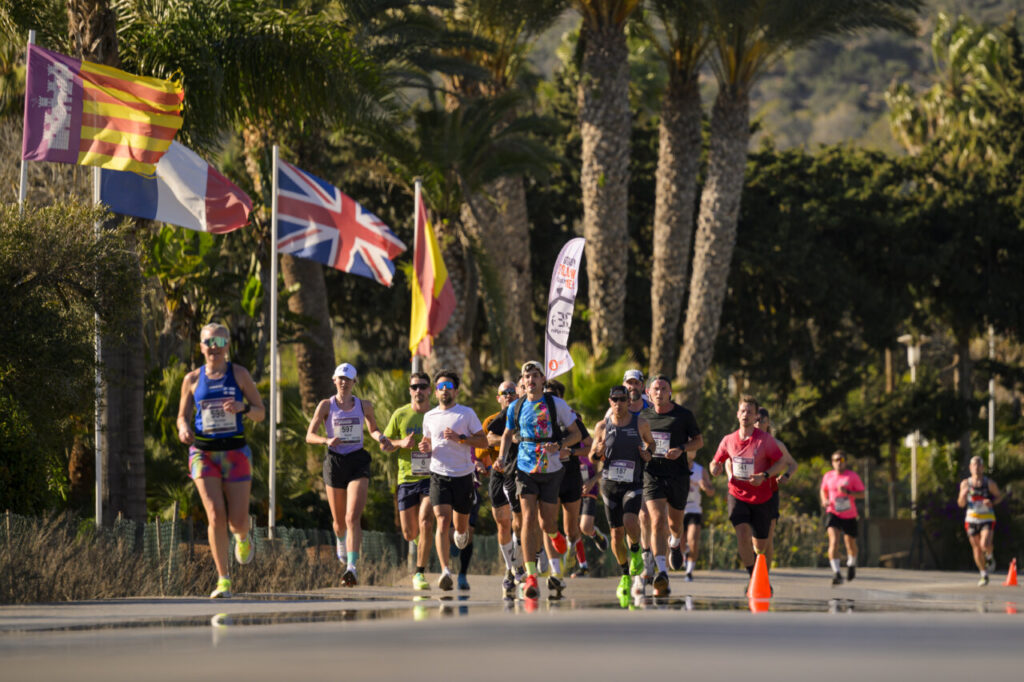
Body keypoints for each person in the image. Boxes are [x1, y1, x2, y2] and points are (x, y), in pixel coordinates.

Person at [177, 323, 266, 599]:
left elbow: (261, 412)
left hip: (235, 453)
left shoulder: (239, 374)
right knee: (215, 514)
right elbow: (182, 415)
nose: (213, 346)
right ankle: (223, 579)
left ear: (227, 345)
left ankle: (242, 537)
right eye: (208, 341)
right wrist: (183, 429)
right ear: (201, 346)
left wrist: (244, 407)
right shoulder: (192, 379)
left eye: (219, 340)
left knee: (237, 521)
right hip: (203, 453)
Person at [497, 361, 582, 599]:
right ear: (522, 381)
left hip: (551, 469)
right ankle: (531, 575)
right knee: (528, 519)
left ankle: (555, 536)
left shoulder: (556, 404)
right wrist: (502, 458)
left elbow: (577, 434)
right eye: (527, 376)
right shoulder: (516, 406)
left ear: (543, 380)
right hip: (524, 468)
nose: (531, 380)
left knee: (547, 524)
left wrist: (561, 444)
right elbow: (506, 434)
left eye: (535, 376)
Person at [306, 363, 392, 587]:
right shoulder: (326, 405)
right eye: (340, 378)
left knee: (352, 517)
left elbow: (372, 429)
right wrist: (326, 440)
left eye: (348, 379)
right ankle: (340, 539)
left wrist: (380, 437)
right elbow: (310, 435)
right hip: (334, 461)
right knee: (339, 523)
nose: (344, 382)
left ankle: (351, 567)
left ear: (355, 383)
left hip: (357, 460)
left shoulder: (364, 405)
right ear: (334, 380)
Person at [419, 369, 488, 591]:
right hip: (439, 474)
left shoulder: (466, 414)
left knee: (460, 530)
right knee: (441, 520)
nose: (444, 391)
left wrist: (461, 439)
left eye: (448, 387)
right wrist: (425, 447)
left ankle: (461, 532)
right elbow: (427, 441)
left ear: (456, 391)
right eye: (440, 387)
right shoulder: (429, 416)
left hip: (463, 476)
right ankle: (445, 571)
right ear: (436, 391)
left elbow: (484, 442)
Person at [709, 395, 786, 591]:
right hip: (737, 494)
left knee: (760, 546)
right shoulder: (728, 440)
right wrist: (715, 468)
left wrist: (765, 475)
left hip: (762, 498)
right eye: (742, 411)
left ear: (755, 418)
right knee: (742, 534)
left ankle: (761, 574)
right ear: (737, 414)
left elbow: (781, 462)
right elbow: (715, 461)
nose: (745, 415)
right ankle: (754, 578)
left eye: (750, 412)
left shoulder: (765, 440)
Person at [590, 385, 656, 599]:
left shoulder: (640, 423)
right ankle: (625, 574)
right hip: (609, 485)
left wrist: (648, 454)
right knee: (616, 536)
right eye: (614, 399)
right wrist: (597, 453)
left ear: (629, 401)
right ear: (610, 402)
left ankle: (636, 550)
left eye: (622, 399)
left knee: (630, 522)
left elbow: (652, 444)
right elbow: (592, 454)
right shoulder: (602, 426)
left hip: (632, 482)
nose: (618, 403)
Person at [640, 375, 703, 596]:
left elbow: (699, 440)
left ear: (670, 392)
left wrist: (682, 449)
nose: (659, 392)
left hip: (677, 476)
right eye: (655, 389)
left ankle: (675, 543)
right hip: (653, 474)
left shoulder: (683, 415)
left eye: (663, 388)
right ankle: (662, 570)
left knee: (675, 524)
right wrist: (643, 453)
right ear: (648, 393)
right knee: (656, 520)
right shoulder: (642, 417)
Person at [382, 372, 433, 591]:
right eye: (415, 387)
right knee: (409, 533)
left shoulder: (436, 414)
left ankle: (419, 573)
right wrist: (401, 442)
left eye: (423, 386)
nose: (418, 390)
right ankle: (421, 542)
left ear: (429, 389)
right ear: (410, 390)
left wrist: (433, 447)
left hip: (431, 477)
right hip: (406, 478)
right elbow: (384, 444)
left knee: (426, 521)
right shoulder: (400, 414)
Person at [545, 379, 593, 580]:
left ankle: (578, 563)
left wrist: (572, 452)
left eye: (553, 395)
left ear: (561, 397)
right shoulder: (538, 417)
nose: (549, 399)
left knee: (571, 529)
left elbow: (590, 447)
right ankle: (555, 570)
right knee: (548, 524)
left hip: (571, 476)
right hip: (548, 475)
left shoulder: (572, 418)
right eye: (546, 394)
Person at [484, 380, 527, 596]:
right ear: (498, 397)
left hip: (521, 472)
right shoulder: (494, 419)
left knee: (519, 521)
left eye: (512, 391)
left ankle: (519, 564)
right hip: (499, 472)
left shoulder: (525, 412)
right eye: (505, 392)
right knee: (502, 522)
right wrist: (509, 439)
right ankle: (510, 568)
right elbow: (488, 439)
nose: (509, 395)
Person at [756, 407, 798, 566]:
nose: (758, 424)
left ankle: (764, 577)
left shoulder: (776, 444)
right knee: (751, 537)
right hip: (747, 494)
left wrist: (786, 475)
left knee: (767, 537)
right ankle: (753, 575)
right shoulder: (743, 441)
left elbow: (793, 464)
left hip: (769, 493)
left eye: (762, 421)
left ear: (768, 423)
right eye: (756, 420)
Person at [957, 455, 1005, 586]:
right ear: (970, 467)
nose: (976, 468)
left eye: (979, 465)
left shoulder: (988, 483)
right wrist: (962, 495)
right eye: (974, 465)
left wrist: (992, 502)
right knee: (977, 548)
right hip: (971, 518)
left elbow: (999, 497)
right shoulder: (965, 484)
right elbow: (960, 504)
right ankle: (983, 574)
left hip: (987, 518)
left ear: (983, 468)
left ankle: (989, 556)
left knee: (985, 544)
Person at [820, 450, 865, 585]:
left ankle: (851, 564)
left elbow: (862, 494)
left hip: (849, 514)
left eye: (842, 460)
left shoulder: (852, 476)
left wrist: (849, 492)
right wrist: (824, 500)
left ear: (845, 462)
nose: (839, 463)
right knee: (833, 541)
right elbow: (823, 489)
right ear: (832, 462)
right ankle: (837, 572)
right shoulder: (828, 476)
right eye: (836, 460)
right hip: (833, 512)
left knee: (849, 543)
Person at [573, 448, 609, 577]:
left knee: (585, 527)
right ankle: (583, 566)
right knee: (574, 529)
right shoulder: (564, 443)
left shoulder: (589, 444)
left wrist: (592, 481)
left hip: (589, 489)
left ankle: (596, 534)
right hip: (573, 490)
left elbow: (606, 467)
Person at [680, 459, 714, 581]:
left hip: (694, 510)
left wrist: (705, 487)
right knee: (681, 543)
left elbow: (711, 492)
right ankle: (684, 555)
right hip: (679, 510)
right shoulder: (676, 466)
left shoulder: (700, 470)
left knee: (693, 541)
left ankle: (689, 571)